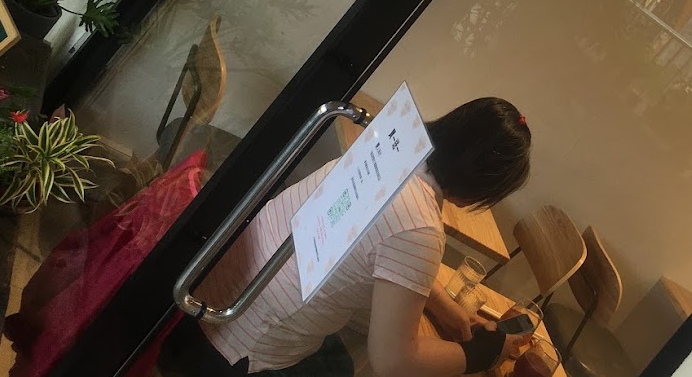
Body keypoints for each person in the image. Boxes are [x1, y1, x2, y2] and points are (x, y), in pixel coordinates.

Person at [165, 98, 534, 375]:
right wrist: (483, 354)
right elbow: (394, 363)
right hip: (235, 354)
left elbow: (389, 251)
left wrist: (447, 310)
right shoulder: (420, 227)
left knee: (345, 350)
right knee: (350, 362)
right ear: (484, 188)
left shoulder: (392, 148)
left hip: (202, 305)